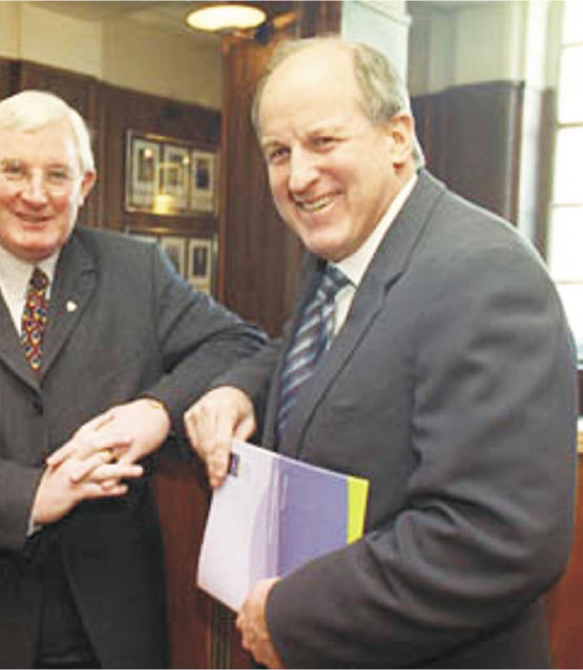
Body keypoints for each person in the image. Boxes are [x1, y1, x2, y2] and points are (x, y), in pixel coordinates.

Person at [184, 37, 578, 668]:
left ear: (397, 137)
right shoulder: (339, 259)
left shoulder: (485, 273)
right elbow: (326, 357)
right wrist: (240, 388)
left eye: (323, 141)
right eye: (279, 153)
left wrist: (291, 614)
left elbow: (493, 538)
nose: (298, 176)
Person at [0, 90, 266, 668]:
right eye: (15, 170)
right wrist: (30, 496)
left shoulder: (137, 272)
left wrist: (157, 411)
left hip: (112, 619)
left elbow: (240, 344)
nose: (36, 194)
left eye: (57, 174)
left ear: (86, 184)